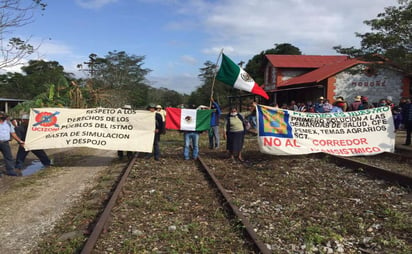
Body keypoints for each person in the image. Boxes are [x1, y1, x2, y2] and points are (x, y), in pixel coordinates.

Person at [0, 112, 24, 177]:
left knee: (8, 157)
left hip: (5, 143)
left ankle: (10, 171)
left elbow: (13, 133)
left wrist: (20, 141)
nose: (4, 116)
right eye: (2, 115)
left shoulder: (8, 123)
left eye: (4, 115)